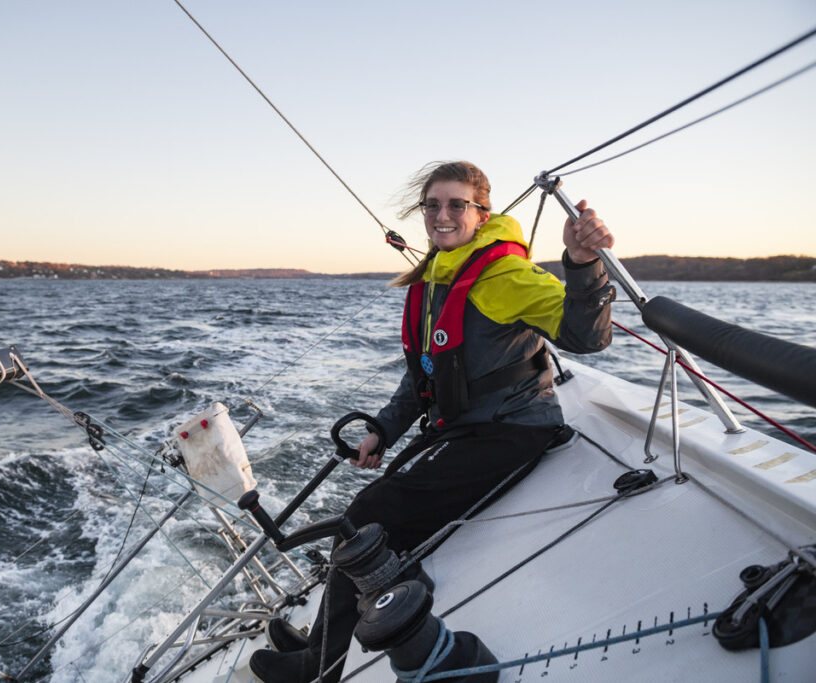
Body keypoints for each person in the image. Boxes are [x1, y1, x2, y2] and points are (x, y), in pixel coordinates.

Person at [250, 161, 615, 682]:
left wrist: (582, 264)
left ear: (481, 213)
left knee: (369, 513)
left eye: (456, 204)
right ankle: (325, 637)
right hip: (464, 426)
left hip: (513, 427)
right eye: (433, 204)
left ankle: (318, 666)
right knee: (381, 508)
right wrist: (383, 429)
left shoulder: (502, 274)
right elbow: (424, 375)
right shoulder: (439, 275)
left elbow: (588, 338)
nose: (442, 215)